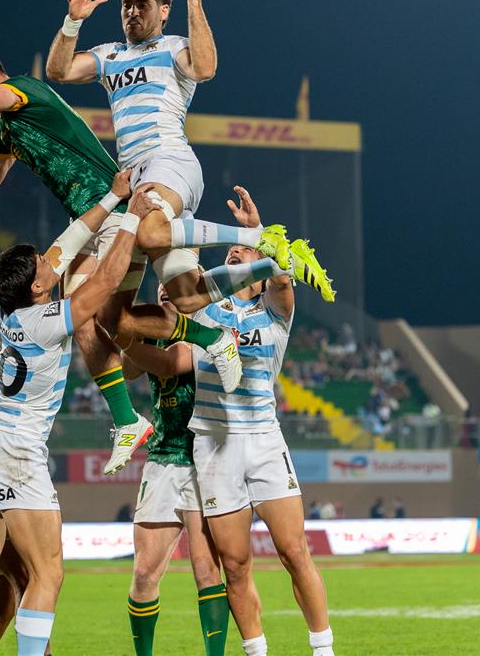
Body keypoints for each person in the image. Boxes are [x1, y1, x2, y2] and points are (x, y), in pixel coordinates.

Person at [0, 49, 287, 471]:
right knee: (112, 322)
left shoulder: (25, 91)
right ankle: (145, 404)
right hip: (89, 218)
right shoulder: (5, 132)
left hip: (112, 205)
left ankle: (200, 344)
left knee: (83, 306)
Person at [0, 193, 147, 656]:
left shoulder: (15, 318)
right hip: (16, 452)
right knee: (47, 574)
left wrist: (112, 197)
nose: (49, 265)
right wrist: (131, 218)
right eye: (42, 268)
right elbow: (106, 281)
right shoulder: (38, 322)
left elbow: (61, 251)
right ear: (36, 288)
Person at [46, 0, 336, 306]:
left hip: (168, 161)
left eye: (143, 5)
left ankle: (258, 237)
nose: (132, 12)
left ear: (164, 10)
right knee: (186, 298)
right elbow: (58, 70)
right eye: (127, 4)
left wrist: (194, 1)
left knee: (148, 231)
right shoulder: (109, 55)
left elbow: (205, 68)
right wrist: (73, 20)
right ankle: (274, 264)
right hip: (138, 177)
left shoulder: (173, 47)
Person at [127, 190, 333, 656]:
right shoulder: (204, 308)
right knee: (236, 566)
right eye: (233, 250)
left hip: (262, 440)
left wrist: (261, 236)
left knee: (294, 552)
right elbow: (180, 289)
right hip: (212, 446)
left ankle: (324, 650)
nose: (238, 252)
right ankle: (255, 652)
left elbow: (282, 279)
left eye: (246, 252)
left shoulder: (275, 315)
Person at [118, 284, 233, 656]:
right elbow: (129, 369)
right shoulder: (157, 337)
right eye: (160, 285)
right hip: (163, 459)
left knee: (206, 570)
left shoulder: (209, 332)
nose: (165, 289)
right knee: (144, 573)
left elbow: (173, 363)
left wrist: (117, 326)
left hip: (205, 460)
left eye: (175, 283)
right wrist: (135, 328)